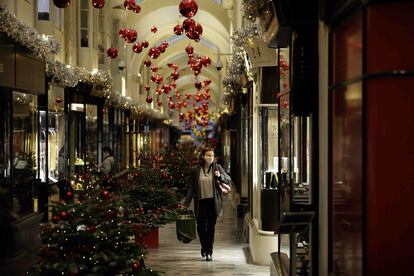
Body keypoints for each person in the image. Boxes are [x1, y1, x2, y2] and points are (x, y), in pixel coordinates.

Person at [184, 147, 232, 261]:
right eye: (208, 155)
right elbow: (191, 188)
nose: (210, 158)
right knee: (200, 227)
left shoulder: (217, 167)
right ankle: (204, 247)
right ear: (203, 156)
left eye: (212, 155)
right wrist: (186, 203)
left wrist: (220, 176)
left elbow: (228, 179)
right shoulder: (195, 170)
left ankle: (209, 251)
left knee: (211, 227)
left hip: (213, 202)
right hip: (201, 202)